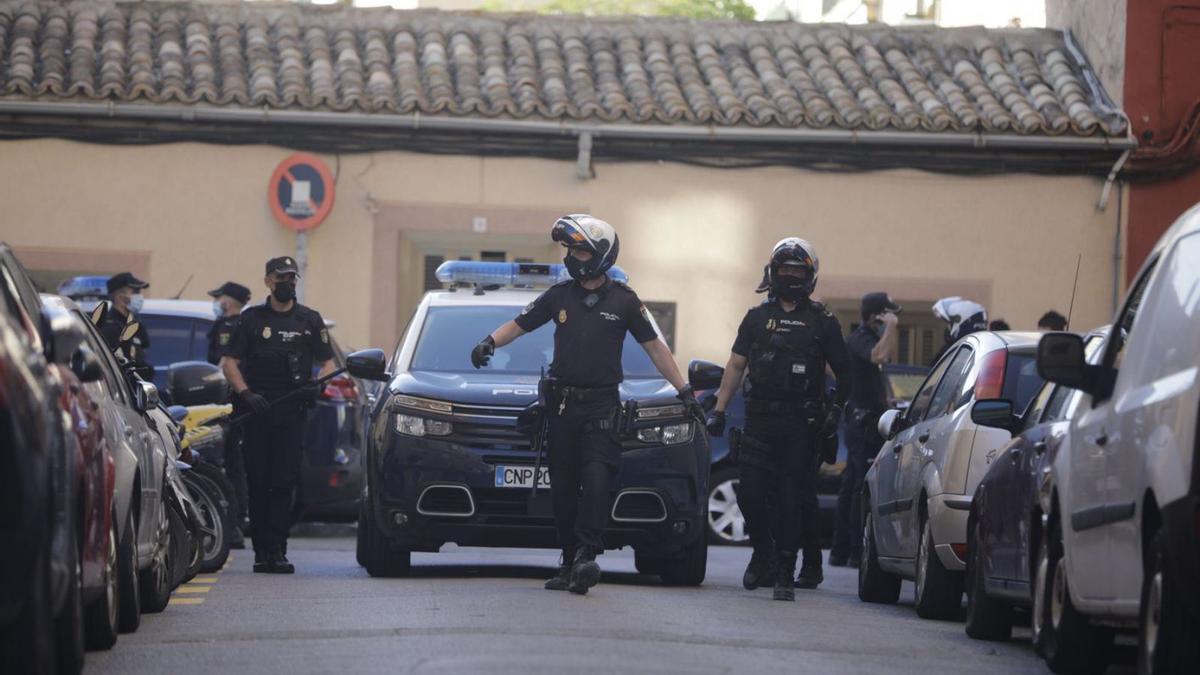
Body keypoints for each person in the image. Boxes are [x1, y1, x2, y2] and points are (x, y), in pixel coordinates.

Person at [469, 214, 698, 596]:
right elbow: (520, 323)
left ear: (601, 254)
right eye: (570, 249)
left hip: (602, 408)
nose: (572, 257)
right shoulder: (559, 295)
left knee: (595, 482)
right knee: (562, 489)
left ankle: (587, 555)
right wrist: (489, 342)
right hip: (562, 409)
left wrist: (684, 390)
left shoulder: (625, 301)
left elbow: (655, 348)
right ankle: (568, 558)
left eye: (579, 249)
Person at [705, 238, 851, 601]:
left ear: (810, 276)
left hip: (801, 424)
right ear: (772, 273)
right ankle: (762, 553)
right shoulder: (756, 318)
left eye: (797, 271)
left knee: (790, 498)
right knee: (751, 494)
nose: (789, 276)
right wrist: (719, 411)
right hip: (759, 420)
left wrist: (834, 412)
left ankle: (785, 569)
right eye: (784, 270)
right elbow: (736, 365)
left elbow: (845, 374)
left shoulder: (823, 321)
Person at [221, 257, 334, 574]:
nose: (289, 283)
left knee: (285, 481)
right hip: (257, 412)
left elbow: (328, 363)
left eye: (292, 278)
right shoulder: (251, 320)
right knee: (259, 481)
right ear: (269, 281)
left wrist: (316, 385)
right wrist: (246, 394)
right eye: (282, 278)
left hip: (292, 412)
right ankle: (262, 552)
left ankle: (279, 549)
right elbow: (229, 362)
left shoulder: (309, 320)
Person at [830, 292, 900, 569]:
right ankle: (854, 551)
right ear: (875, 316)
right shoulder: (861, 338)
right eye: (888, 315)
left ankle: (842, 550)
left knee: (853, 485)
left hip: (867, 420)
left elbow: (884, 359)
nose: (892, 320)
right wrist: (892, 326)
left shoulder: (868, 337)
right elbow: (879, 355)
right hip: (863, 424)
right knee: (859, 487)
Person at [206, 281, 252, 549]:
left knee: (234, 462)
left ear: (230, 301)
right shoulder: (227, 325)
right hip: (229, 401)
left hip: (232, 402)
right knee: (232, 462)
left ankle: (235, 521)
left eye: (220, 297)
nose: (217, 302)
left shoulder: (233, 327)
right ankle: (233, 520)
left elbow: (223, 364)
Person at [97, 272, 151, 368]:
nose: (140, 297)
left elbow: (143, 347)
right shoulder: (110, 328)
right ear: (120, 297)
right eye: (135, 292)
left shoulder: (133, 321)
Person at [931, 296, 987, 363]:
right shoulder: (988, 348)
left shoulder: (956, 351)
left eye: (950, 323)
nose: (948, 328)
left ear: (959, 320)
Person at [206, 281, 251, 365]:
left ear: (228, 303)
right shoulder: (241, 324)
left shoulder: (229, 327)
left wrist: (218, 376)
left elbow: (226, 359)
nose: (215, 302)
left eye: (218, 298)